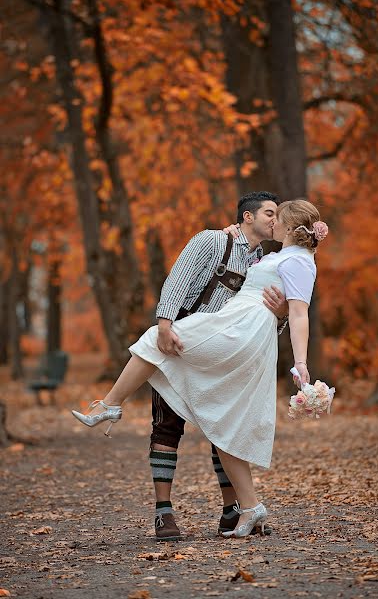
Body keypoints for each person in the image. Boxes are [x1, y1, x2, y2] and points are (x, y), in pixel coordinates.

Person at [72, 199, 328, 539]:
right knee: (220, 424)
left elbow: (298, 313)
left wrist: (299, 361)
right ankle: (248, 508)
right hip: (224, 328)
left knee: (152, 341)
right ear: (248, 217)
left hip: (235, 332)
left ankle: (110, 405)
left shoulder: (297, 260)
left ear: (290, 226)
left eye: (277, 217)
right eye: (269, 213)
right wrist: (166, 320)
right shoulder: (244, 249)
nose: (273, 221)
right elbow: (180, 281)